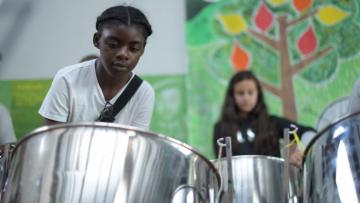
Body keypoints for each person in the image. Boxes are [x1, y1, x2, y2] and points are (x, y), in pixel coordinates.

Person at [39, 5, 155, 130]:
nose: (123, 54)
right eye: (113, 44)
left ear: (143, 49)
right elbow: (53, 141)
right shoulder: (67, 80)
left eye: (133, 49)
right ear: (97, 40)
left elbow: (135, 145)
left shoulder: (143, 93)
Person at [213, 71, 315, 165]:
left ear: (258, 93)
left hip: (273, 183)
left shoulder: (273, 123)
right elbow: (221, 165)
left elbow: (310, 133)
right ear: (232, 96)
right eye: (240, 93)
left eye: (250, 92)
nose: (246, 98)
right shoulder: (220, 128)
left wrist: (300, 150)